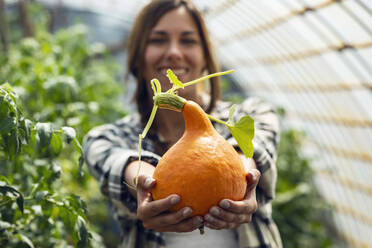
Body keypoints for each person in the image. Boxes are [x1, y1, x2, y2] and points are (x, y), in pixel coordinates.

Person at [83, 0, 282, 247]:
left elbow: (247, 149)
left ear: (206, 58)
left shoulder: (253, 113)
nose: (174, 52)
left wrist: (242, 176)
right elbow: (115, 161)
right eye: (158, 40)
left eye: (188, 40)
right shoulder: (109, 137)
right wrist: (148, 184)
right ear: (137, 57)